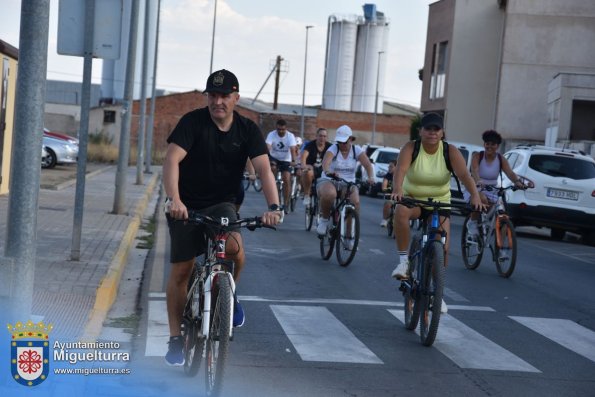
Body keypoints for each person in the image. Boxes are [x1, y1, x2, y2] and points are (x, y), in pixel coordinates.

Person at [163, 69, 282, 366]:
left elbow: (265, 170)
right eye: (213, 95)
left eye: (224, 96)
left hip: (221, 204)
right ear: (207, 97)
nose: (218, 101)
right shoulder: (192, 122)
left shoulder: (247, 129)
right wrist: (174, 199)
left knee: (235, 252)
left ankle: (229, 297)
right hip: (186, 204)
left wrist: (275, 206)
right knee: (181, 270)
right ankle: (176, 338)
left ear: (236, 98)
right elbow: (172, 160)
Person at [390, 113, 484, 313]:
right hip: (413, 198)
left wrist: (474, 196)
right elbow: (401, 170)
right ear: (420, 131)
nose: (432, 133)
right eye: (428, 129)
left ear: (442, 133)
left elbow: (465, 175)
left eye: (436, 129)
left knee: (443, 247)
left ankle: (437, 293)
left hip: (440, 202)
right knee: (400, 212)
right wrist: (397, 189)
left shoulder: (450, 151)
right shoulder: (411, 148)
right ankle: (404, 262)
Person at [464, 129, 532, 238]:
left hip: (492, 189)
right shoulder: (478, 156)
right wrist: (478, 180)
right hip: (475, 187)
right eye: (487, 144)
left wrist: (517, 182)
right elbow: (474, 171)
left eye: (493, 144)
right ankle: (472, 222)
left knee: (500, 212)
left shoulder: (501, 159)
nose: (489, 146)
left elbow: (510, 173)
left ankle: (500, 248)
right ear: (484, 144)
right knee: (482, 199)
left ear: (498, 146)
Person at [316, 125, 375, 249]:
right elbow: (325, 163)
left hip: (348, 183)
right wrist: (327, 171)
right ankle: (324, 220)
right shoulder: (333, 149)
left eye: (345, 141)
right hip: (329, 179)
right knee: (330, 194)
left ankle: (349, 237)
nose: (342, 144)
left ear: (351, 139)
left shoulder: (356, 150)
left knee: (355, 202)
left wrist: (371, 178)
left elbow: (368, 165)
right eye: (339, 141)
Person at [266, 119, 298, 212]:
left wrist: (293, 160)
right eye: (278, 129)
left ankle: (286, 203)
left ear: (286, 129)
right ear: (276, 128)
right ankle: (274, 197)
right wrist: (267, 157)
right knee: (272, 169)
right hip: (274, 157)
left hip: (286, 159)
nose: (280, 131)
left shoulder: (290, 136)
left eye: (282, 129)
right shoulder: (272, 134)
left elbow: (292, 149)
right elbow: (268, 147)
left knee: (286, 178)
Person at [300, 127, 331, 206]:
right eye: (320, 136)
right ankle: (307, 194)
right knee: (307, 172)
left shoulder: (330, 147)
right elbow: (304, 156)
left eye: (324, 136)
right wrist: (303, 166)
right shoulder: (310, 145)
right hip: (311, 168)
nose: (322, 138)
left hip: (324, 170)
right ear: (316, 136)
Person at [380, 160, 397, 227]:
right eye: (389, 166)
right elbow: (384, 186)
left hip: (400, 196)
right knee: (387, 203)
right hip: (390, 195)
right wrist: (385, 190)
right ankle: (384, 220)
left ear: (397, 167)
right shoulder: (388, 175)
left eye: (391, 167)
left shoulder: (403, 175)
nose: (389, 168)